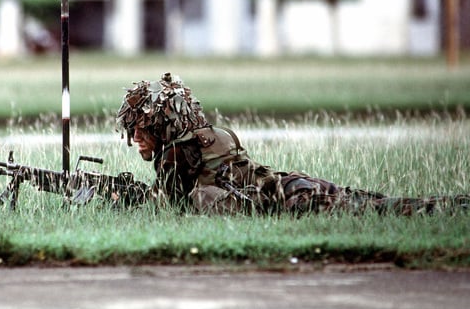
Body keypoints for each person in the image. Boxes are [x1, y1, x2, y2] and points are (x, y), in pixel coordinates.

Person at [115, 73, 468, 215]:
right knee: (386, 204)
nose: (135, 140)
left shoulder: (180, 155)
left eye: (142, 132)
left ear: (163, 130)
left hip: (299, 198)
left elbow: (179, 206)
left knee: (396, 210)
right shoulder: (206, 137)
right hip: (294, 184)